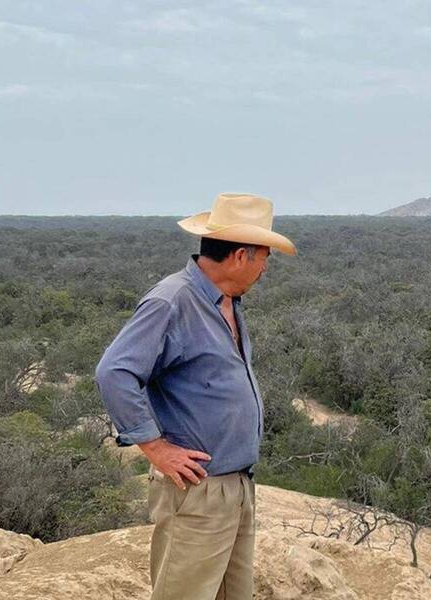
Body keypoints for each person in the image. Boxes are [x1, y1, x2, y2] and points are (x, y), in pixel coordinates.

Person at [95, 193, 296, 600]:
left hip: (236, 485)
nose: (265, 267)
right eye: (264, 256)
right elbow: (114, 372)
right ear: (241, 256)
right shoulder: (172, 301)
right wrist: (155, 446)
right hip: (197, 490)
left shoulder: (226, 302)